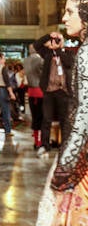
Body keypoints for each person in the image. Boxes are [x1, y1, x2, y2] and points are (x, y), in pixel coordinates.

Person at [16, 0, 88, 226]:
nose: (64, 18)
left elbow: (85, 115)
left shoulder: (84, 53)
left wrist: (66, 166)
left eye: (71, 12)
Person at [34, 28, 74, 157]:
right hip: (49, 92)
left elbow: (69, 63)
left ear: (63, 41)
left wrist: (58, 48)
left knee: (65, 120)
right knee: (46, 119)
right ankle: (45, 145)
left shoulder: (68, 53)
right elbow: (37, 45)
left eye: (59, 39)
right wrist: (48, 36)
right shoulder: (47, 54)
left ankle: (65, 146)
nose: (56, 41)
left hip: (63, 92)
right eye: (55, 39)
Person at [22, 42, 44, 150]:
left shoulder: (25, 61)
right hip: (41, 91)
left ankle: (36, 140)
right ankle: (41, 141)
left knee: (35, 117)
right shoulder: (40, 60)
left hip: (31, 91)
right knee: (42, 118)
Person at [0, 52, 16, 137]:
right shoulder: (3, 68)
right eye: (3, 58)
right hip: (3, 90)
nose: (5, 60)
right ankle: (7, 130)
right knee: (6, 110)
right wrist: (11, 93)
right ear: (0, 59)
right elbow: (7, 82)